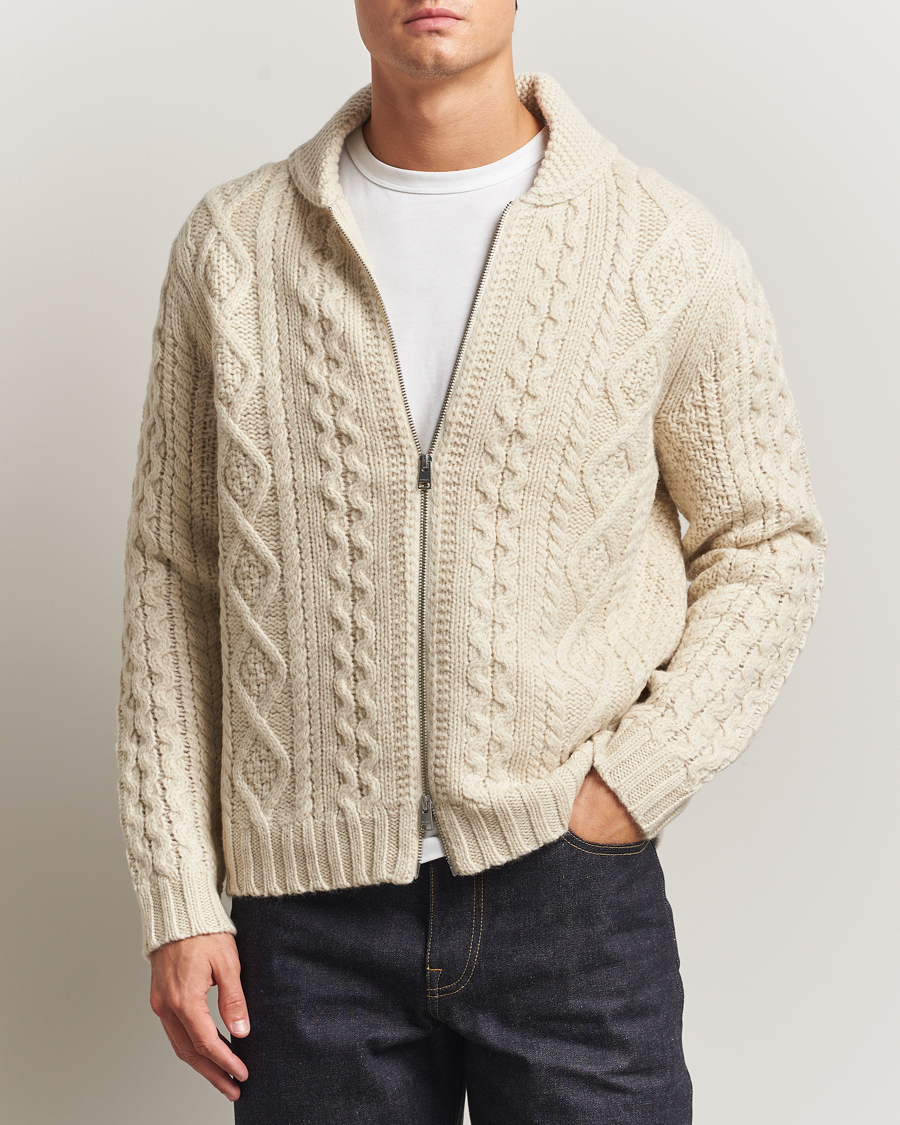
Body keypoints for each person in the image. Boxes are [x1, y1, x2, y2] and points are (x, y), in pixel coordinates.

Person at [115, 2, 826, 1122]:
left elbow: (767, 540)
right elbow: (175, 579)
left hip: (570, 892)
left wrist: (632, 785)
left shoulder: (663, 247)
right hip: (306, 920)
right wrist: (178, 895)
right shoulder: (233, 249)